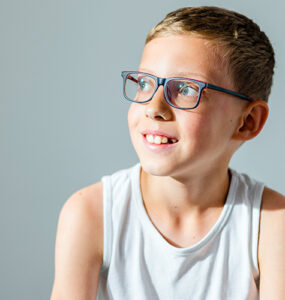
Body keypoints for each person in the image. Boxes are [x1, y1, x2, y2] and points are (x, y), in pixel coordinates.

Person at [50, 6, 285, 300]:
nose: (154, 108)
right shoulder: (90, 214)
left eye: (186, 88)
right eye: (146, 83)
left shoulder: (273, 224)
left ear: (247, 122)